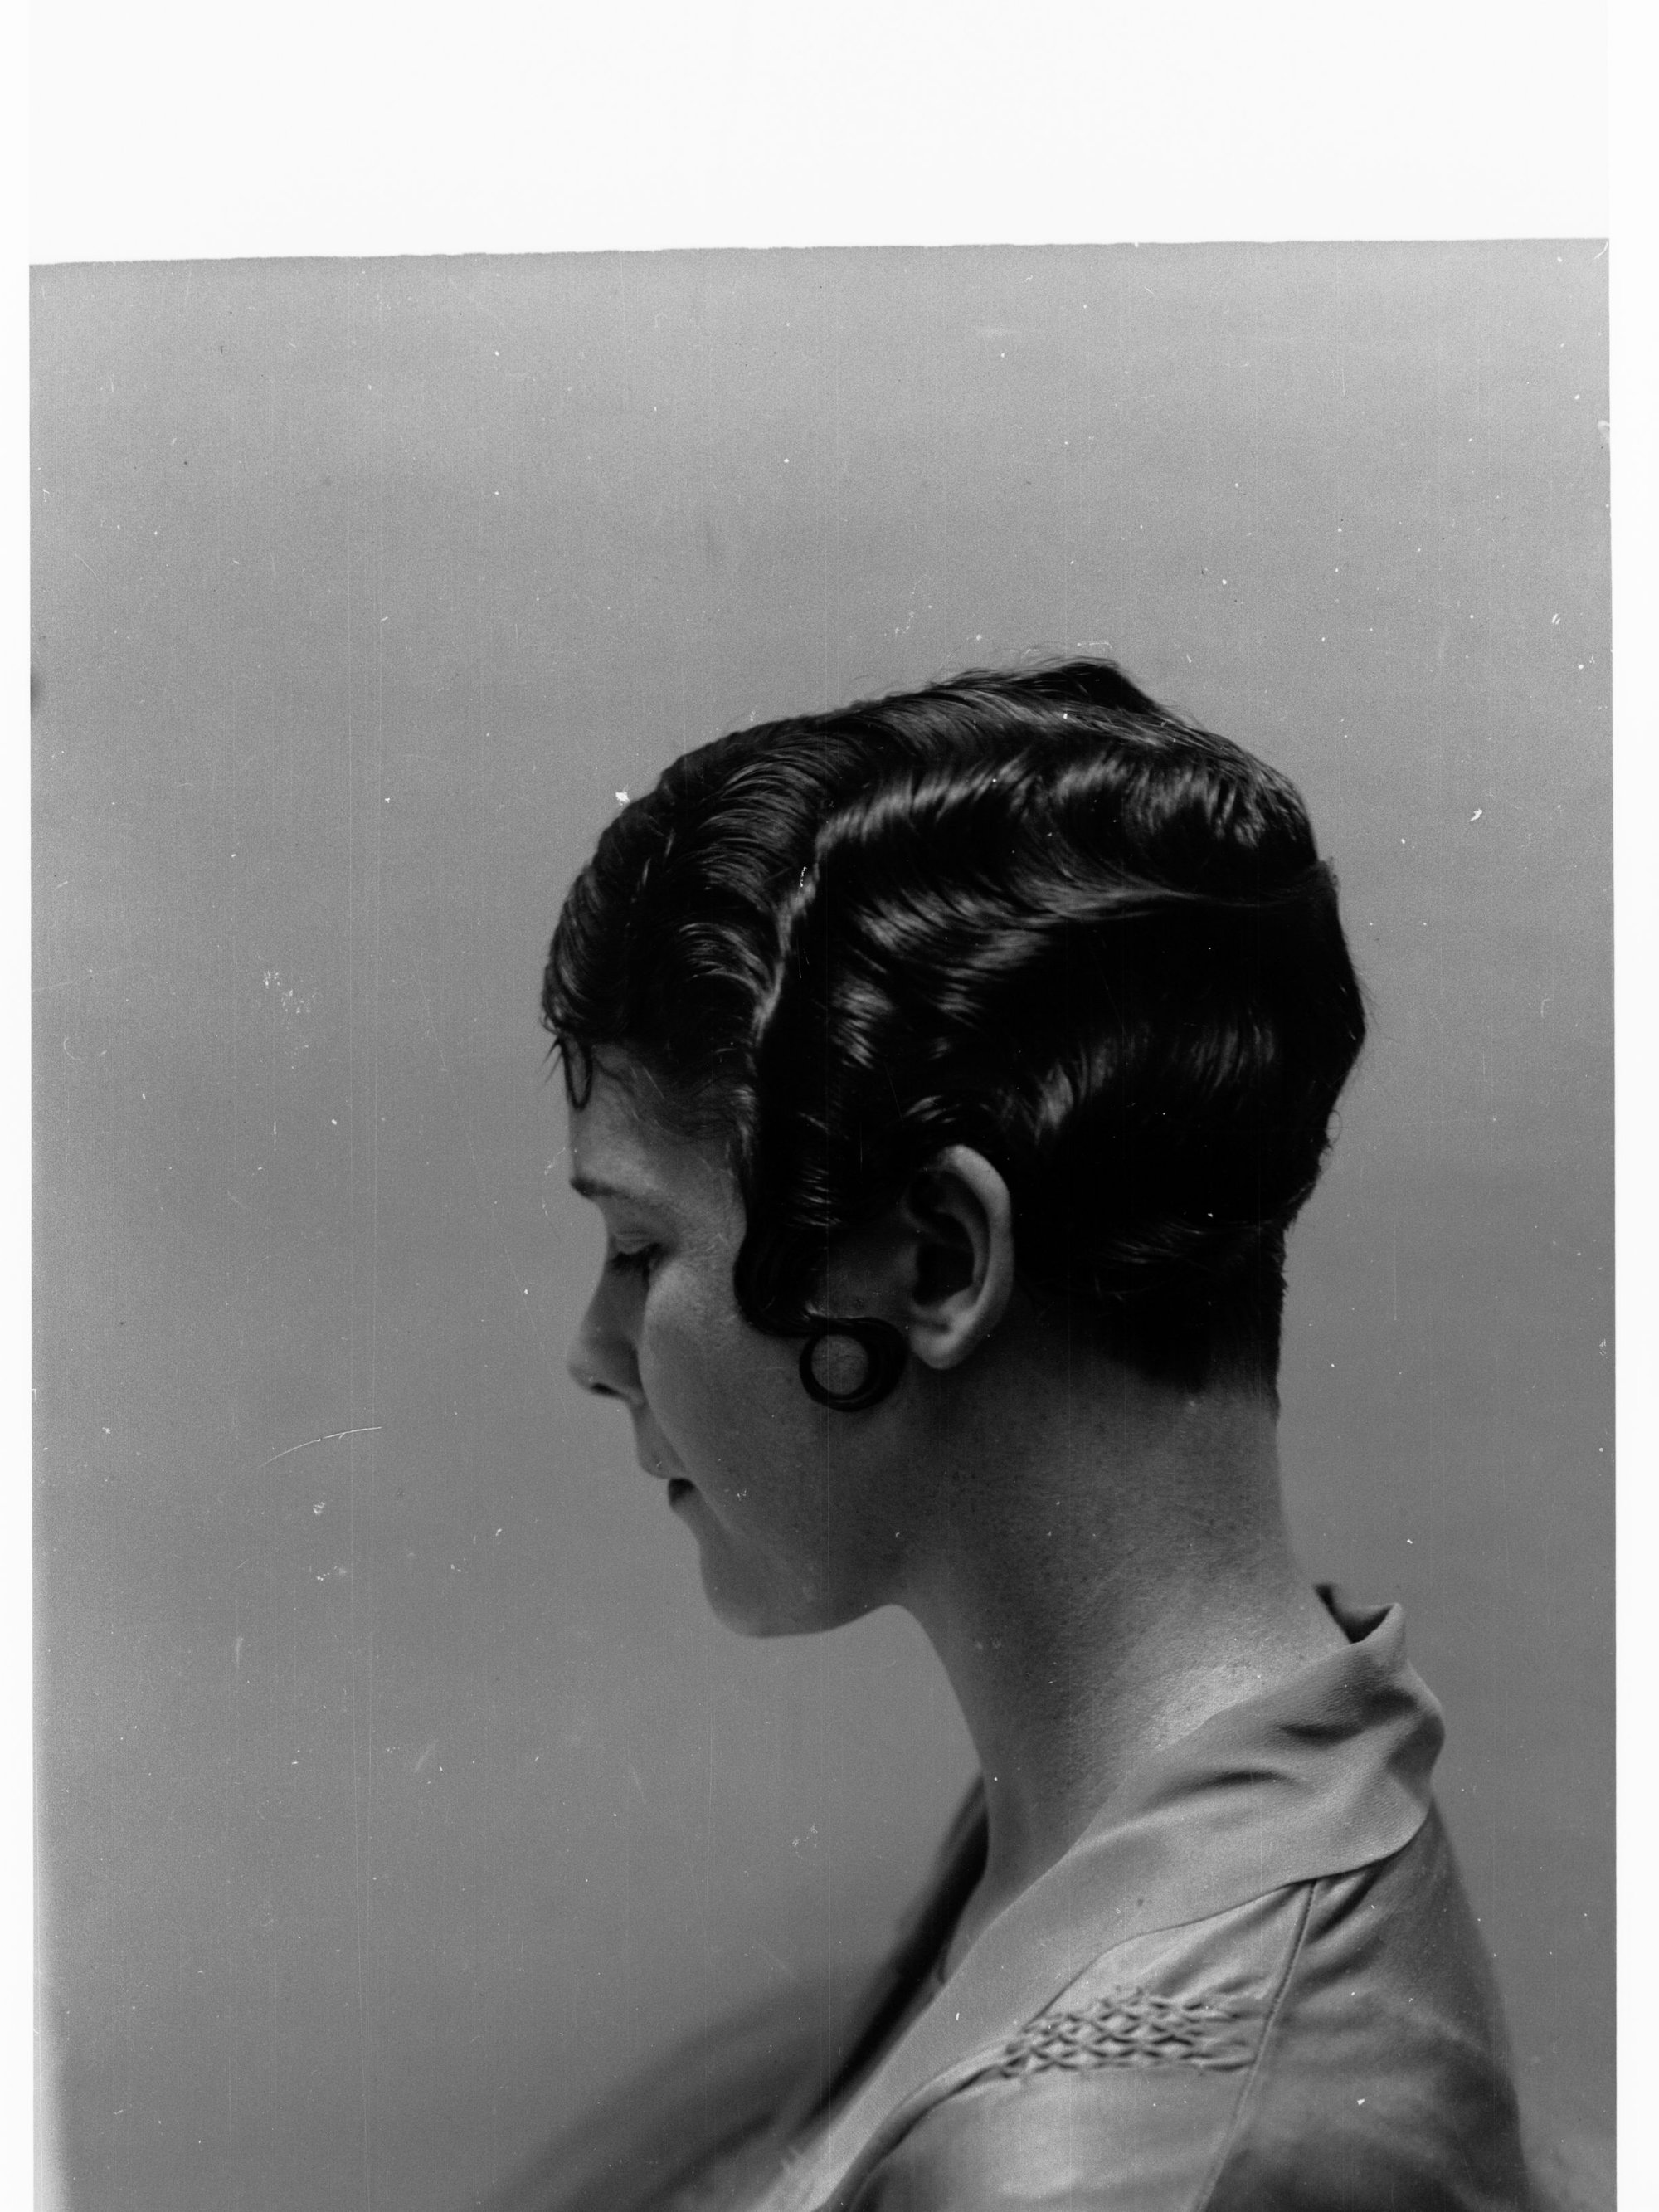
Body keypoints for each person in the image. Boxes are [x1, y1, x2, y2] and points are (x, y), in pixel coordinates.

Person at [533, 661, 1533, 2211]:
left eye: (639, 1247)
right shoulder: (1166, 1802)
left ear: (936, 1260)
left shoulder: (1107, 2152)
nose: (595, 1355)